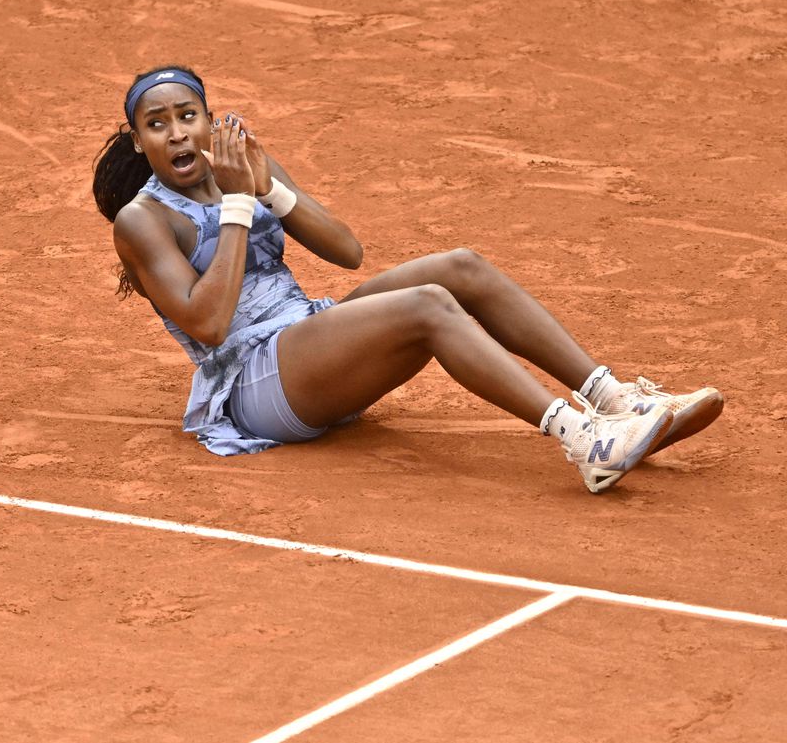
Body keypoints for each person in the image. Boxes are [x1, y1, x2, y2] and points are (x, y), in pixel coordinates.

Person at [91, 65, 723, 493]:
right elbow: (207, 323)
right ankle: (586, 442)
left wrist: (267, 189)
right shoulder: (142, 221)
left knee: (460, 266)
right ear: (139, 141)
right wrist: (236, 204)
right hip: (253, 388)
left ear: (209, 119)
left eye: (188, 115)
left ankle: (614, 400)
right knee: (427, 305)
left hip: (310, 343)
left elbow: (347, 252)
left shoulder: (241, 166)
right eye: (157, 124)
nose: (177, 133)